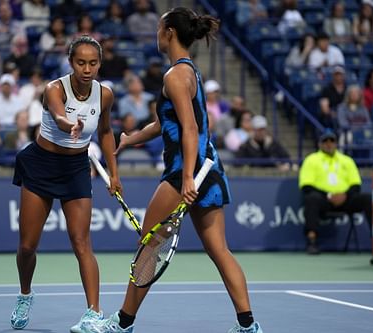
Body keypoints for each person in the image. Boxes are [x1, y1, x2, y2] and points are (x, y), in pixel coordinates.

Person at [82, 8, 263, 333]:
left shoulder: (173, 76)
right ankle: (249, 325)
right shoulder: (188, 73)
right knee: (219, 251)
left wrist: (188, 176)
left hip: (185, 172)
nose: (155, 33)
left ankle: (122, 324)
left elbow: (190, 129)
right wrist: (130, 139)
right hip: (210, 171)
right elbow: (165, 123)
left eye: (158, 28)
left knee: (148, 247)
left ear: (168, 33)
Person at [9, 35, 122, 332]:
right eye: (81, 62)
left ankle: (93, 313)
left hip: (75, 167)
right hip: (41, 165)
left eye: (93, 63)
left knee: (82, 242)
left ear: (99, 64)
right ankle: (25, 293)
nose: (87, 68)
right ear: (71, 63)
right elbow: (59, 114)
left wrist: (114, 174)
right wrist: (70, 124)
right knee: (27, 246)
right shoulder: (54, 88)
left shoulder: (105, 95)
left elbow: (107, 132)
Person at [299, 129, 372, 255]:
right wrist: (329, 195)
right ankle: (312, 241)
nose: (329, 144)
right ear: (320, 143)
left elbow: (356, 185)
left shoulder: (347, 160)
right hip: (324, 200)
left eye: (332, 140)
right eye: (325, 141)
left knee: (367, 198)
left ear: (336, 143)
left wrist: (344, 195)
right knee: (311, 198)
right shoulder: (311, 160)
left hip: (345, 199)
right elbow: (306, 186)